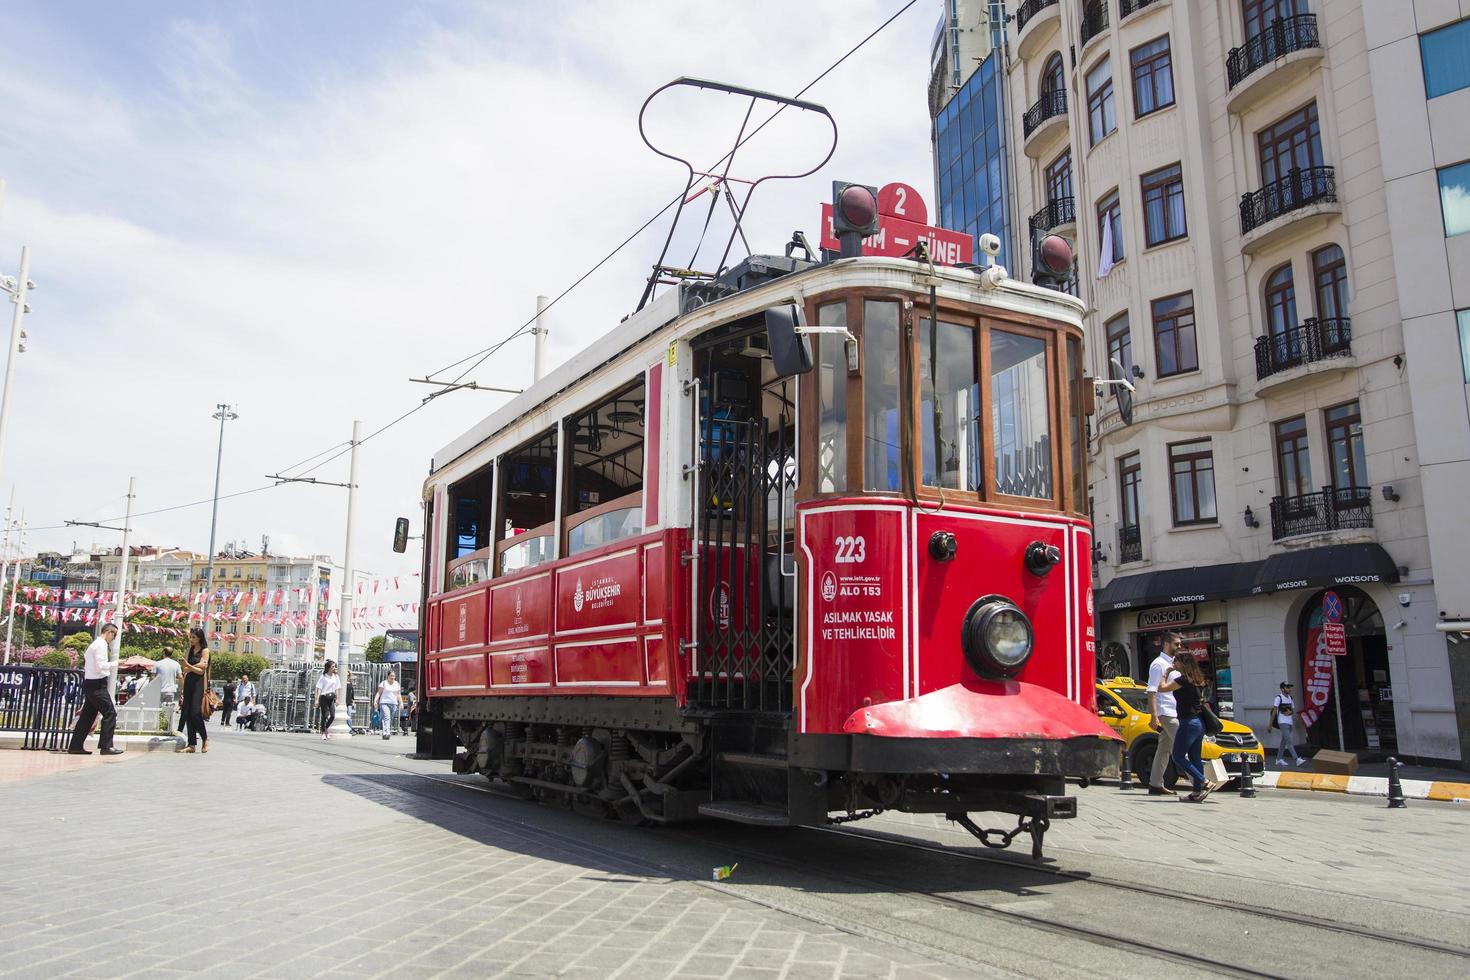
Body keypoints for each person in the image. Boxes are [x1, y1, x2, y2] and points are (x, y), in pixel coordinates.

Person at [1158, 651, 1220, 803]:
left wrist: (1166, 672)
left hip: (1188, 722)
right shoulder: (1197, 679)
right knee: (1194, 757)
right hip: (1199, 723)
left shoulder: (1183, 680)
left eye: (1176, 661)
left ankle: (1205, 782)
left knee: (1178, 756)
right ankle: (1196, 793)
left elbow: (1161, 688)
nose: (1174, 663)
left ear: (1183, 663)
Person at [68, 624, 124, 756]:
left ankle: (75, 746)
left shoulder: (94, 644)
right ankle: (106, 747)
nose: (114, 638)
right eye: (114, 635)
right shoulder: (101, 644)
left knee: (87, 716)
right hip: (97, 685)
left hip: (90, 683)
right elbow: (101, 666)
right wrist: (117, 663)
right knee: (110, 713)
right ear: (109, 632)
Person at [1145, 633, 1183, 795]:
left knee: (1164, 748)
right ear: (1166, 645)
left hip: (1174, 711)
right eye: (1177, 644)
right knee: (1183, 744)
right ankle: (1200, 781)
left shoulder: (1173, 664)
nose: (1179, 647)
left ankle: (1155, 784)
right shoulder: (1158, 664)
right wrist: (1153, 716)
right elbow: (1152, 691)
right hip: (1166, 713)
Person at [176, 628, 211, 754]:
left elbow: (203, 670)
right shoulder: (189, 650)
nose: (191, 640)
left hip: (198, 683)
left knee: (195, 712)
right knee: (187, 713)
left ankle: (205, 738)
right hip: (189, 682)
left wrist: (190, 666)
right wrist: (194, 667)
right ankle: (191, 744)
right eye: (190, 637)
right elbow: (185, 669)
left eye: (193, 637)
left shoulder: (205, 651)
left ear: (200, 638)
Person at [1272, 681, 1304, 767]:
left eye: (1290, 687)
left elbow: (1292, 710)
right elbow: (1274, 711)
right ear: (1282, 689)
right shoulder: (1278, 698)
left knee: (1284, 741)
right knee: (1289, 741)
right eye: (1287, 687)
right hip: (1282, 722)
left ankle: (1278, 759)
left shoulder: (1290, 698)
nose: (1289, 689)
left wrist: (1289, 711)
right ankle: (1297, 759)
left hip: (1289, 722)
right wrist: (1270, 724)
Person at [154, 647, 182, 734]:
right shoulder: (176, 664)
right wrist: (182, 689)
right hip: (170, 691)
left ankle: (157, 727)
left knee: (157, 710)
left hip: (158, 690)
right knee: (169, 710)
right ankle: (167, 728)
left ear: (163, 653)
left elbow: (152, 677)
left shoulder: (157, 663)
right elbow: (180, 677)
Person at [316, 660, 340, 739]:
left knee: (332, 716)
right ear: (329, 668)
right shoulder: (323, 676)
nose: (334, 668)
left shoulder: (336, 676)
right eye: (333, 666)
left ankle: (326, 728)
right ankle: (323, 732)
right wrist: (317, 699)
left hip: (331, 697)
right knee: (325, 715)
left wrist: (337, 698)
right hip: (324, 697)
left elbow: (337, 688)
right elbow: (319, 688)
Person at [375, 670, 402, 741]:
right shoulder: (383, 683)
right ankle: (386, 733)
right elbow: (379, 693)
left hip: (394, 703)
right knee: (387, 717)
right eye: (391, 676)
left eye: (394, 676)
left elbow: (398, 694)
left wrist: (401, 703)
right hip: (384, 702)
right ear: (388, 676)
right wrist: (375, 701)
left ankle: (387, 731)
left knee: (390, 718)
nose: (392, 677)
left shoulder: (397, 684)